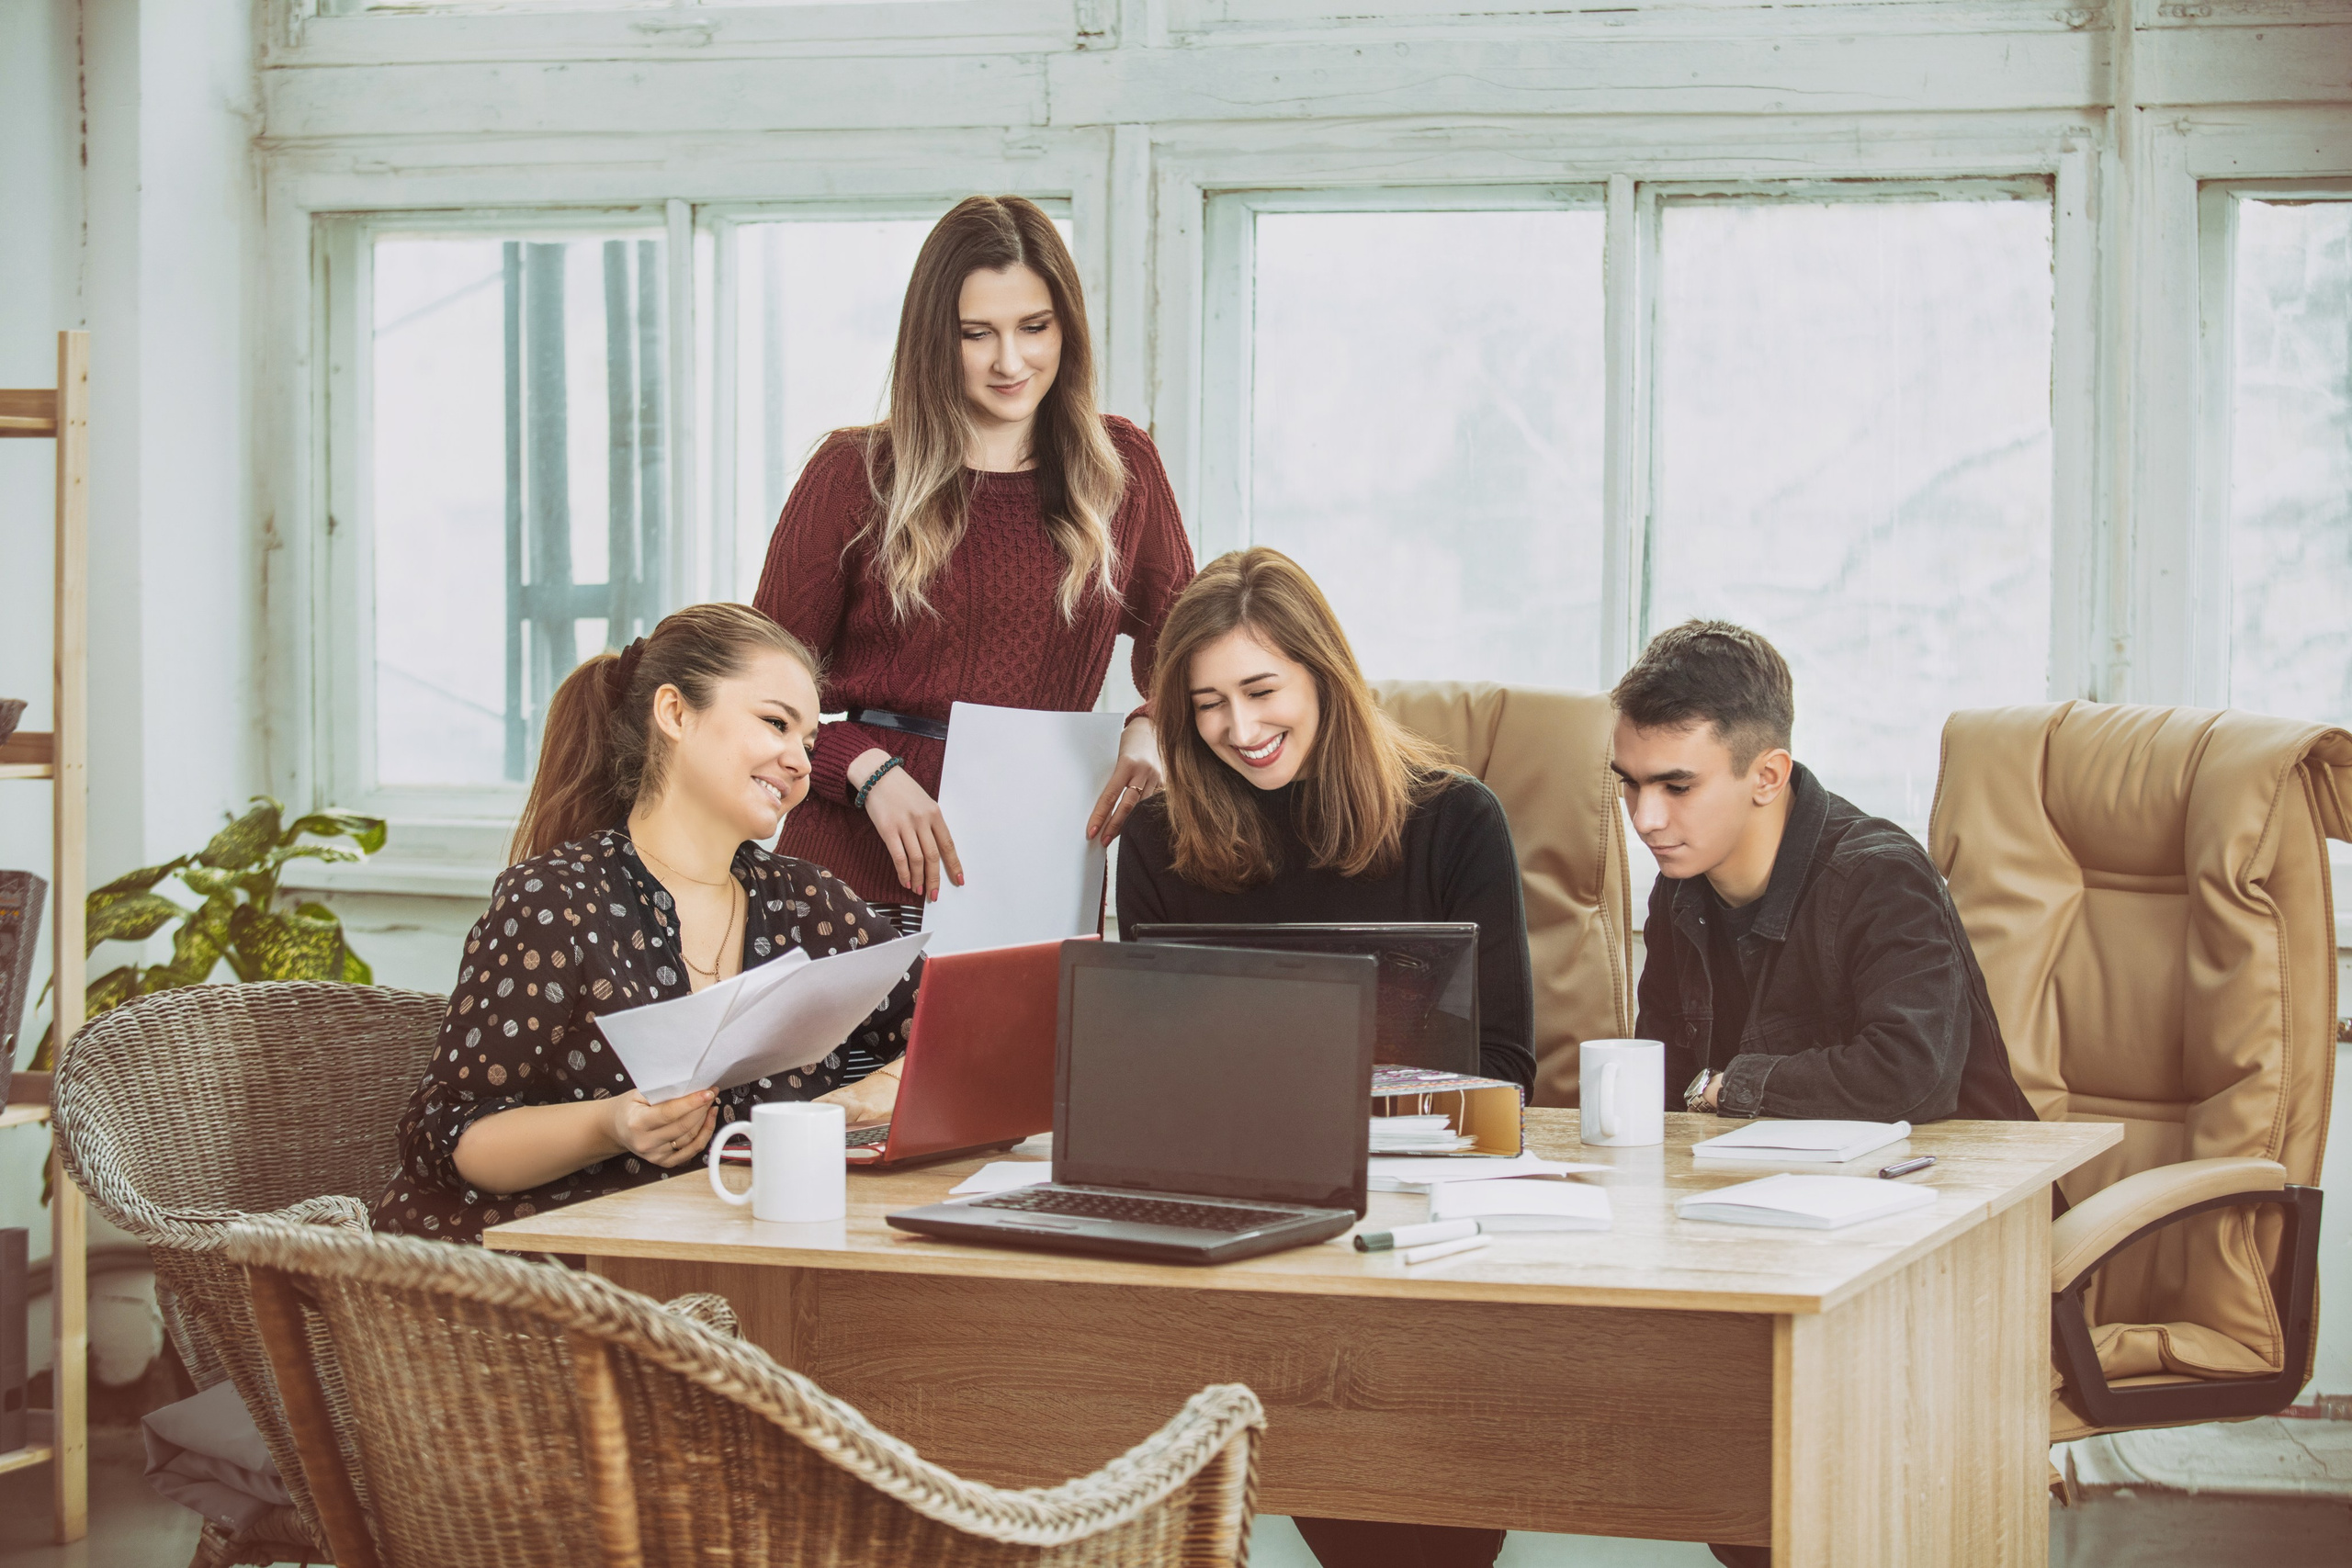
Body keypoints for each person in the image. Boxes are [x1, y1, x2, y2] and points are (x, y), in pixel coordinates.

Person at [1116, 547, 1535, 1568]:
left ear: (1323, 678)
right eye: (1208, 704)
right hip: (1235, 1223)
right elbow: (1155, 1080)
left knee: (1412, 1512)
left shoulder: (1454, 819)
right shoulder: (1160, 837)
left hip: (1413, 1220)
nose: (1238, 729)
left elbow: (1506, 1072)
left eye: (1261, 690)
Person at [373, 604, 921, 1246]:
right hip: (546, 1282)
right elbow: (449, 1134)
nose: (800, 762)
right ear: (675, 713)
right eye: (775, 722)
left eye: (808, 743)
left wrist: (854, 1103)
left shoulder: (809, 903)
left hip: (744, 1268)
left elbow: (951, 1025)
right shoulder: (555, 901)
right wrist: (611, 1123)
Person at [755, 193, 1194, 966]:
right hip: (852, 863)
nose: (1010, 361)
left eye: (1034, 327)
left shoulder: (1122, 469)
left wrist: (1152, 723)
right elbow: (758, 692)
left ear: (1068, 327)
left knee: (1011, 1085)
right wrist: (868, 773)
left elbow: (1191, 651)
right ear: (934, 338)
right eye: (976, 333)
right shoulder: (853, 474)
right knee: (847, 1091)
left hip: (1033, 862)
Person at [1613, 619, 2036, 1119]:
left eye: (1677, 788)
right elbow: (1665, 1089)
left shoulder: (1880, 876)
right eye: (1632, 784)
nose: (1645, 819)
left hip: (1955, 1185)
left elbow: (1911, 1075)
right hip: (1772, 1183)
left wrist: (1725, 1089)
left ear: (1768, 777)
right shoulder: (1679, 888)